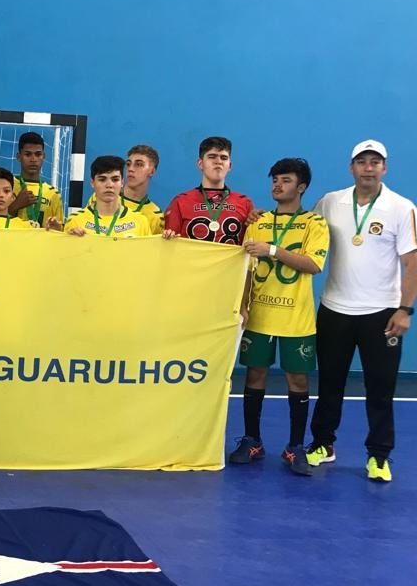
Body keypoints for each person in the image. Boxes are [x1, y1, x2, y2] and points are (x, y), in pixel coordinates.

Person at [306, 140, 417, 482]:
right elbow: (301, 228)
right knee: (330, 384)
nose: (368, 167)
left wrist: (405, 310)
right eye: (362, 162)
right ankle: (323, 444)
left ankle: (379, 456)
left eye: (375, 162)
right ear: (351, 167)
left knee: (380, 389)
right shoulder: (330, 202)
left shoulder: (401, 207)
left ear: (384, 168)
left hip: (381, 314)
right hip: (334, 310)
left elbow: (412, 262)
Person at [230, 158, 329, 476]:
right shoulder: (258, 221)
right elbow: (246, 268)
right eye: (275, 180)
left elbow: (313, 264)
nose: (277, 185)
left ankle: (295, 446)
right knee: (254, 375)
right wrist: (242, 305)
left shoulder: (315, 223)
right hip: (259, 315)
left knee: (297, 380)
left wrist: (272, 250)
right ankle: (252, 441)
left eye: (285, 180)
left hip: (296, 318)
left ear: (301, 187)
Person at [164, 136, 253, 244]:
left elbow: (251, 245)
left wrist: (260, 218)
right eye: (212, 157)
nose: (218, 161)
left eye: (224, 158)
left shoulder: (245, 204)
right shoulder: (180, 202)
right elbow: (170, 245)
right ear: (200, 163)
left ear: (229, 166)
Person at [51, 156, 151, 237]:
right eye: (102, 179)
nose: (109, 185)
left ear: (122, 182)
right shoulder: (76, 221)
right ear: (92, 183)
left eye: (115, 179)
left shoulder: (140, 221)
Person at [87, 145, 164, 235]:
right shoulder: (100, 197)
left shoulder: (156, 215)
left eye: (139, 164)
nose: (130, 169)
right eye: (128, 164)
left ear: (152, 171)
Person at [8, 132, 63, 227]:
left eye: (38, 154)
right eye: (28, 154)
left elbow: (60, 230)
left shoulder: (53, 194)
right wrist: (15, 205)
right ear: (19, 157)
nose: (33, 159)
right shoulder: (7, 186)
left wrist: (57, 227)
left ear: (43, 157)